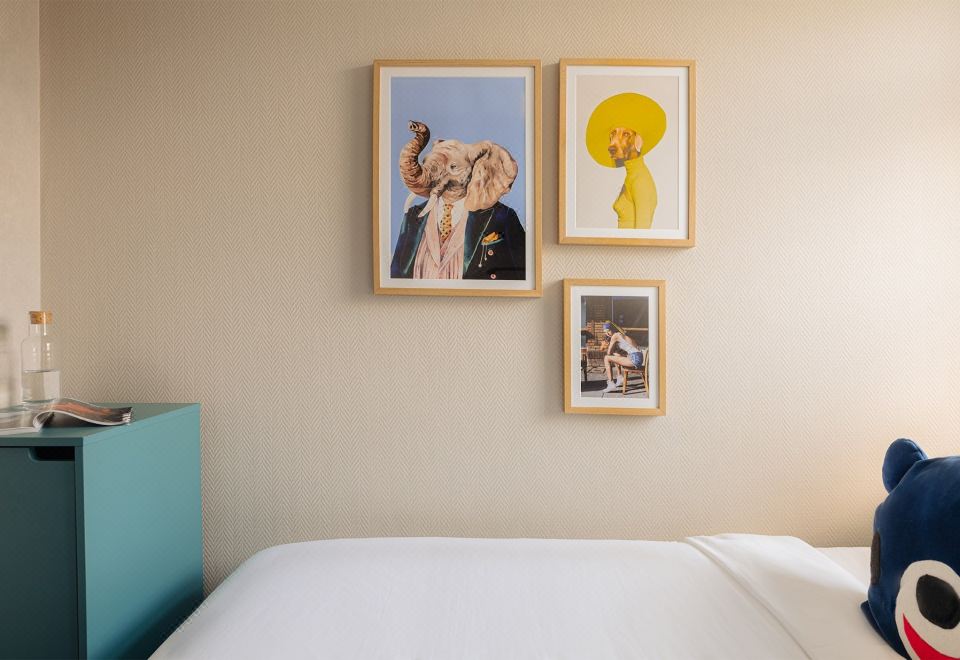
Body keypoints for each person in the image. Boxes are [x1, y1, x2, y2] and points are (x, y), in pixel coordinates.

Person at [601, 322, 644, 393]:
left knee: (606, 358)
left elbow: (608, 353)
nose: (607, 334)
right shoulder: (621, 334)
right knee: (616, 354)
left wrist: (608, 346)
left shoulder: (615, 336)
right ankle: (619, 377)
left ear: (612, 329)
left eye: (608, 331)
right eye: (605, 332)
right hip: (638, 357)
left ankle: (611, 383)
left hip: (634, 358)